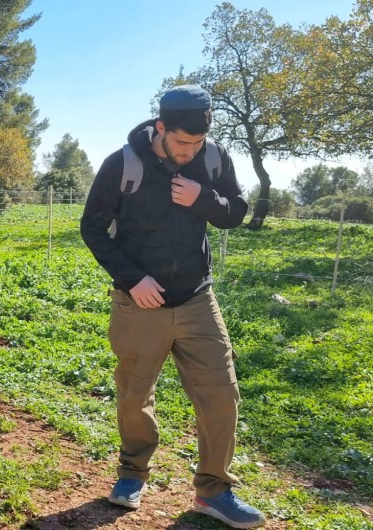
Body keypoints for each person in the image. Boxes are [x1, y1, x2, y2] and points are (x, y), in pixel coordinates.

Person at [80, 85, 265, 529]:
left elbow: (235, 211)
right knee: (135, 395)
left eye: (197, 143)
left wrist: (203, 197)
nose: (190, 151)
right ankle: (131, 475)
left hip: (198, 297)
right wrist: (131, 279)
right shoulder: (122, 163)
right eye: (182, 142)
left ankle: (214, 490)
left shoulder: (214, 157)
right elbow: (92, 228)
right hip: (139, 302)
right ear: (161, 127)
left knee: (221, 394)